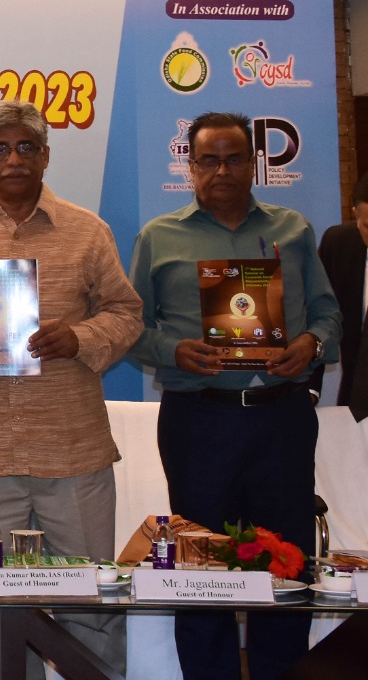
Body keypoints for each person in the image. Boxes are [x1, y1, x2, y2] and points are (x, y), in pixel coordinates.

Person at [0, 99, 142, 676]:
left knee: (91, 599)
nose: (13, 159)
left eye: (25, 147)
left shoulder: (88, 231)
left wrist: (81, 338)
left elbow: (126, 313)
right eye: (0, 149)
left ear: (45, 156)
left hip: (72, 450)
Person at [128, 111, 341, 680]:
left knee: (286, 564)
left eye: (234, 159)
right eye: (209, 160)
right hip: (199, 421)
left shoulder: (293, 229)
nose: (221, 171)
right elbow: (130, 327)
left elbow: (328, 314)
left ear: (253, 163)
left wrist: (311, 344)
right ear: (190, 166)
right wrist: (173, 350)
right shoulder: (159, 237)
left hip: (282, 418)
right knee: (201, 567)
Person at [308, 175, 368, 417]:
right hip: (357, 401)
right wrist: (311, 387)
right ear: (355, 215)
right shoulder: (339, 244)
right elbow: (320, 314)